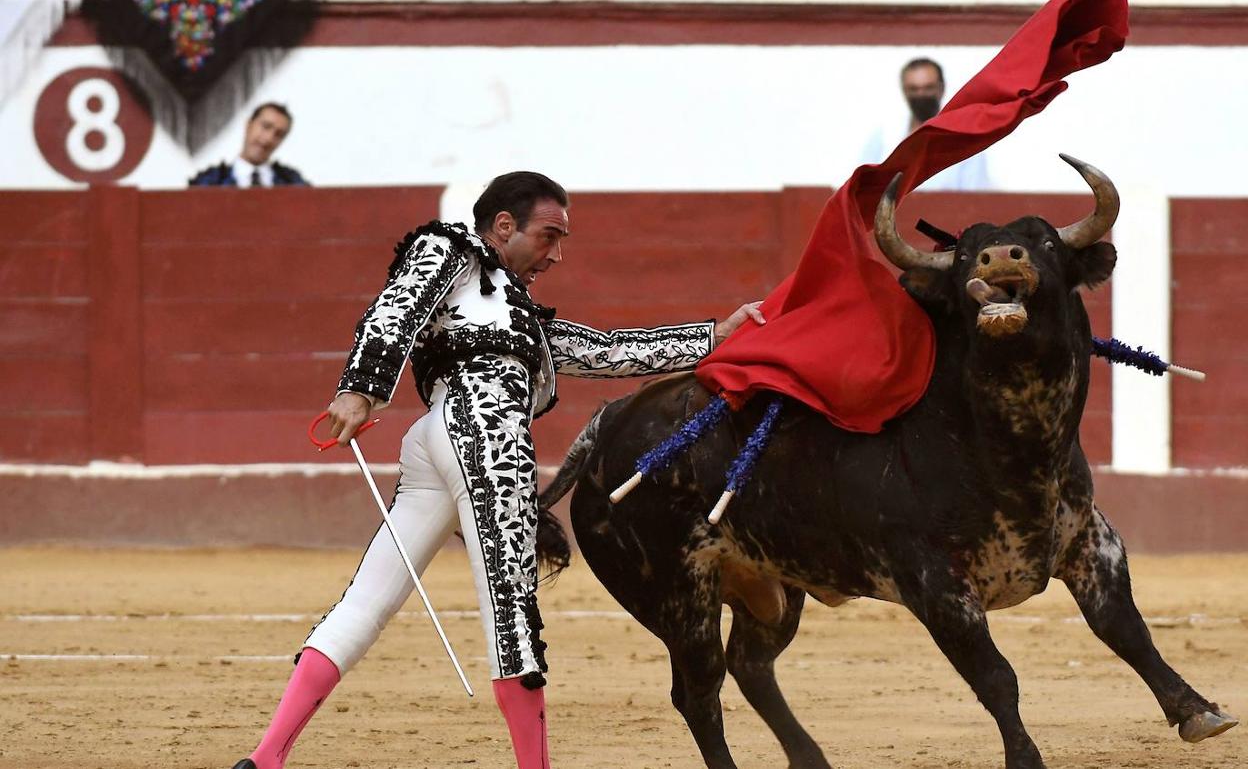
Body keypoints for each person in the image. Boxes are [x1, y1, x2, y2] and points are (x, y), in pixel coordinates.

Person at [230, 171, 764, 769]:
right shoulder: (449, 248)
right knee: (509, 612)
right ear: (503, 226)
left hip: (438, 438)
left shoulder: (520, 314)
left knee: (370, 602)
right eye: (548, 235)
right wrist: (359, 389)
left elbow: (607, 350)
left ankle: (267, 756)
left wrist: (714, 335)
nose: (556, 254)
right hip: (484, 432)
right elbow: (394, 313)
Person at [858, 57, 991, 191]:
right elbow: (863, 186)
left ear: (941, 88)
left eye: (928, 88)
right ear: (905, 91)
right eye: (914, 89)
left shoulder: (963, 139)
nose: (921, 95)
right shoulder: (886, 136)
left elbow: (975, 195)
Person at [190, 102, 309, 187]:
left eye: (279, 134)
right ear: (248, 124)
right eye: (265, 126)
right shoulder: (210, 183)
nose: (268, 138)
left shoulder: (293, 184)